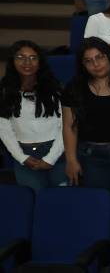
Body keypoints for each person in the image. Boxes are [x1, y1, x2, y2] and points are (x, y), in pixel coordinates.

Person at [61, 38, 110, 192]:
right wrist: (71, 159)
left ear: (109, 57)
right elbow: (69, 126)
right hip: (92, 155)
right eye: (88, 61)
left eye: (100, 57)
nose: (96, 64)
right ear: (83, 65)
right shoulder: (74, 88)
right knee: (101, 200)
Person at [0, 41, 66, 191]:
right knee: (33, 197)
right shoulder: (4, 91)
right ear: (12, 61)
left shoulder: (56, 88)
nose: (27, 62)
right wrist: (22, 158)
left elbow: (66, 125)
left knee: (60, 199)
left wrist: (50, 158)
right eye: (20, 57)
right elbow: (4, 130)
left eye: (33, 58)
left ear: (40, 61)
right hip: (24, 155)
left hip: (58, 151)